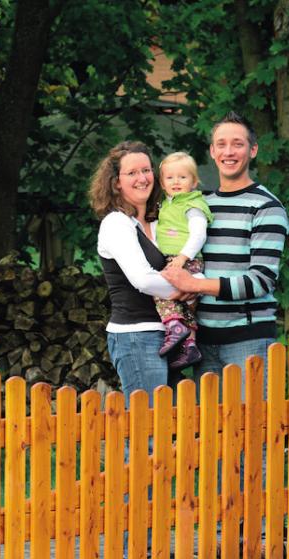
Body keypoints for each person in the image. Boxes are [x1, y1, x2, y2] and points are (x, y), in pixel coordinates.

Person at [161, 112, 289, 395]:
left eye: (237, 144)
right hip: (202, 340)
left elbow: (261, 280)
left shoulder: (267, 207)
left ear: (252, 150)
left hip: (249, 340)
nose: (228, 152)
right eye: (221, 144)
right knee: (211, 435)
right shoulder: (201, 206)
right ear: (212, 151)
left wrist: (195, 285)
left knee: (253, 433)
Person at [90, 141, 187, 404]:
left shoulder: (159, 222)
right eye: (132, 173)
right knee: (147, 430)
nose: (142, 178)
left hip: (170, 334)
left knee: (167, 427)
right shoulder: (116, 223)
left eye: (146, 170)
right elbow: (143, 279)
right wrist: (190, 288)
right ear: (116, 182)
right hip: (136, 336)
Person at [154, 152, 213, 370]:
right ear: (162, 182)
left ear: (194, 181)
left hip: (185, 259)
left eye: (182, 177)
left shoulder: (192, 204)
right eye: (170, 178)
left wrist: (182, 258)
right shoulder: (167, 204)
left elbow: (199, 234)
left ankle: (174, 325)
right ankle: (189, 346)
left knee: (161, 292)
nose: (176, 182)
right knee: (185, 303)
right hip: (177, 258)